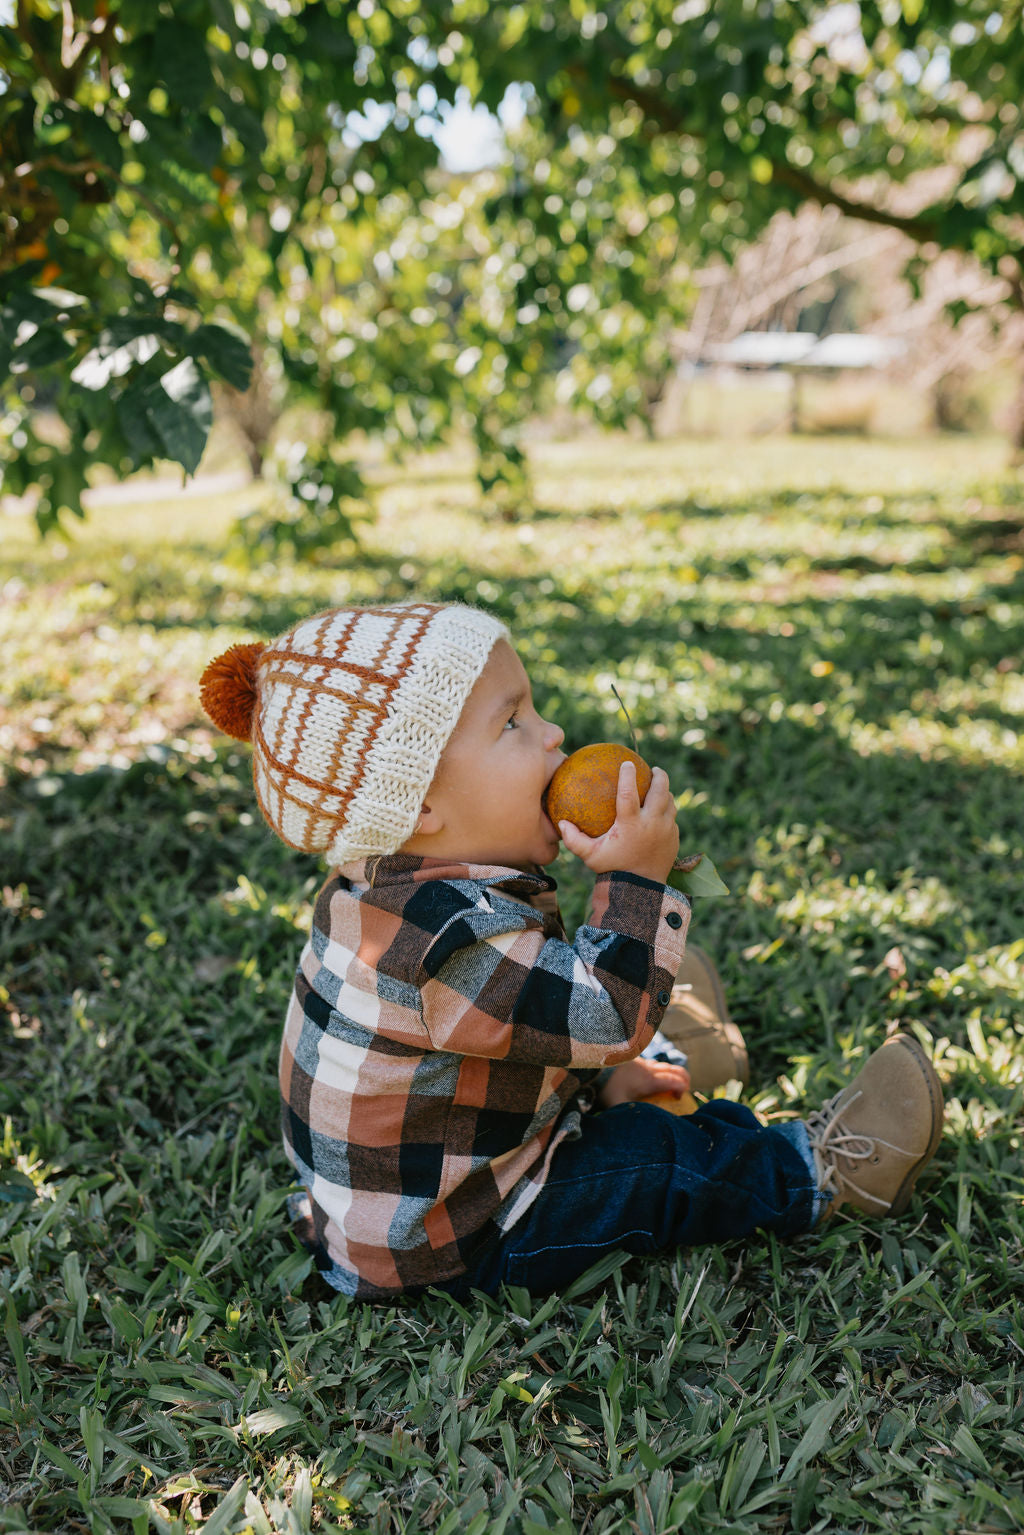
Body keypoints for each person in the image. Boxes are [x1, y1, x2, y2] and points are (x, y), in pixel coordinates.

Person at [199, 601, 944, 1301]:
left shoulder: (381, 889)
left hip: (418, 1184)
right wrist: (634, 879)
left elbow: (498, 1035)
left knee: (604, 1060)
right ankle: (820, 1172)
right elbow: (607, 1016)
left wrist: (596, 1079)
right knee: (652, 1164)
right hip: (458, 1237)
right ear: (420, 804)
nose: (553, 734)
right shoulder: (448, 944)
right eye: (513, 723)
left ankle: (661, 1067)